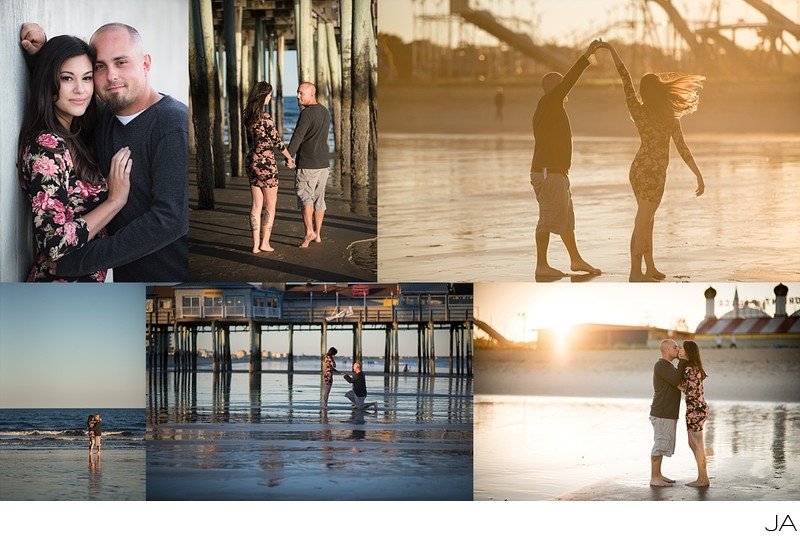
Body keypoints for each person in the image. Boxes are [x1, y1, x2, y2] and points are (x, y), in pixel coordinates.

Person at [20, 22, 189, 282]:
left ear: (145, 63)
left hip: (170, 278)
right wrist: (41, 55)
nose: (111, 76)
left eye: (121, 62)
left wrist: (79, 261)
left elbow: (171, 220)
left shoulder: (173, 124)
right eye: (100, 67)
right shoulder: (102, 120)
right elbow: (64, 93)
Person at [17, 35, 132, 282]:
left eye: (87, 78)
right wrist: (114, 201)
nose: (80, 90)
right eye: (67, 78)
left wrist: (40, 50)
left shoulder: (76, 134)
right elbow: (53, 242)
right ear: (49, 82)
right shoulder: (47, 146)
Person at [598, 41, 705, 282]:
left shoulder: (639, 110)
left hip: (638, 169)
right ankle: (635, 272)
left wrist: (611, 49)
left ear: (644, 92)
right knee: (642, 220)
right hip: (654, 172)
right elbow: (682, 148)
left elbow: (624, 78)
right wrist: (698, 174)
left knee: (647, 219)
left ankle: (650, 268)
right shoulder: (668, 116)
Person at [530, 40, 602, 281]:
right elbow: (570, 80)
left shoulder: (550, 109)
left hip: (556, 172)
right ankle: (542, 266)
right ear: (552, 88)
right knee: (547, 218)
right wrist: (586, 56)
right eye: (561, 86)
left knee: (565, 218)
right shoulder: (549, 102)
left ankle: (575, 259)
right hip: (548, 172)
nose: (566, 90)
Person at [243, 81, 295, 253]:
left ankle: (254, 245)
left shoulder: (248, 117)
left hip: (251, 160)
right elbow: (277, 141)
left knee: (256, 204)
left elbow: (251, 142)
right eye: (270, 95)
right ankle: (264, 243)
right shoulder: (266, 118)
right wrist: (290, 158)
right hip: (266, 163)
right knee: (270, 205)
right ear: (263, 95)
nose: (271, 98)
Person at [287, 82, 331, 248]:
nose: (298, 96)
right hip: (323, 165)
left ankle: (309, 233)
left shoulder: (306, 113)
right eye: (297, 93)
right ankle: (318, 234)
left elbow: (298, 136)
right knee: (319, 200)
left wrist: (289, 156)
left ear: (312, 94)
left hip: (308, 165)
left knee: (306, 200)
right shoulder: (325, 112)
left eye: (301, 93)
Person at [649, 339, 687, 487]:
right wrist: (683, 360)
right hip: (662, 412)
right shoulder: (661, 365)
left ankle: (658, 474)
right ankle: (654, 478)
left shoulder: (668, 366)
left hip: (667, 413)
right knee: (659, 444)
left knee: (663, 443)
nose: (678, 349)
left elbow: (678, 381)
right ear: (666, 350)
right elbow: (676, 378)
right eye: (675, 347)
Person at [677, 340, 710, 487]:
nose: (679, 349)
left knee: (697, 445)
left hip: (695, 410)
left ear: (688, 352)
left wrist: (677, 385)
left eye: (682, 348)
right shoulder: (694, 367)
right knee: (695, 444)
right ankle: (703, 477)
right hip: (699, 409)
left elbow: (690, 392)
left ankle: (703, 479)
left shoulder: (689, 368)